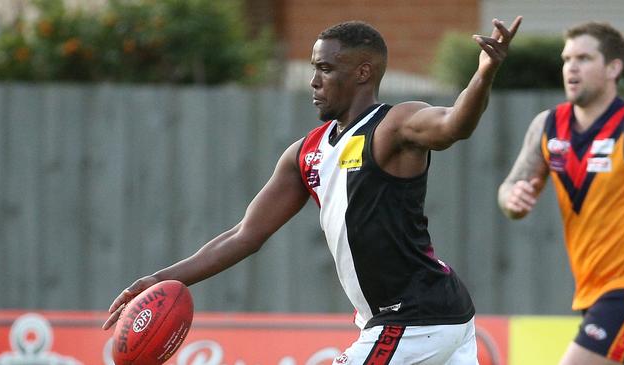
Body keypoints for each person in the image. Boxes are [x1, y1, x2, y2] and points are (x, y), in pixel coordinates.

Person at [103, 16, 522, 364]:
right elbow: (245, 234)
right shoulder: (306, 153)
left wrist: (484, 73)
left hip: (415, 318)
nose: (313, 81)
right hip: (412, 318)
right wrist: (159, 278)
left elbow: (454, 125)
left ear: (363, 72)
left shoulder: (394, 125)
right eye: (313, 68)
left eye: (325, 69)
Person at [498, 22, 624, 365]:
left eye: (583, 58)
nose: (571, 67)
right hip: (591, 291)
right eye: (567, 59)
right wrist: (513, 199)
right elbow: (508, 190)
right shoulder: (548, 126)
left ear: (614, 67)